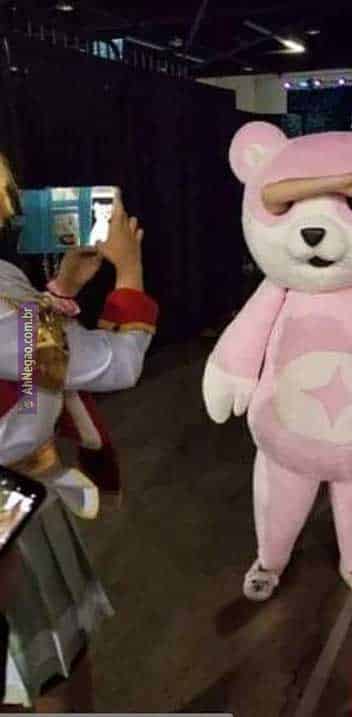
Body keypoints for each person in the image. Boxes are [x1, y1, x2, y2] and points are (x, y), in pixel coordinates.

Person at [0, 154, 159, 710]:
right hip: (9, 506)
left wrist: (65, 285)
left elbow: (31, 344)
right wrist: (129, 271)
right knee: (45, 667)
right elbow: (117, 363)